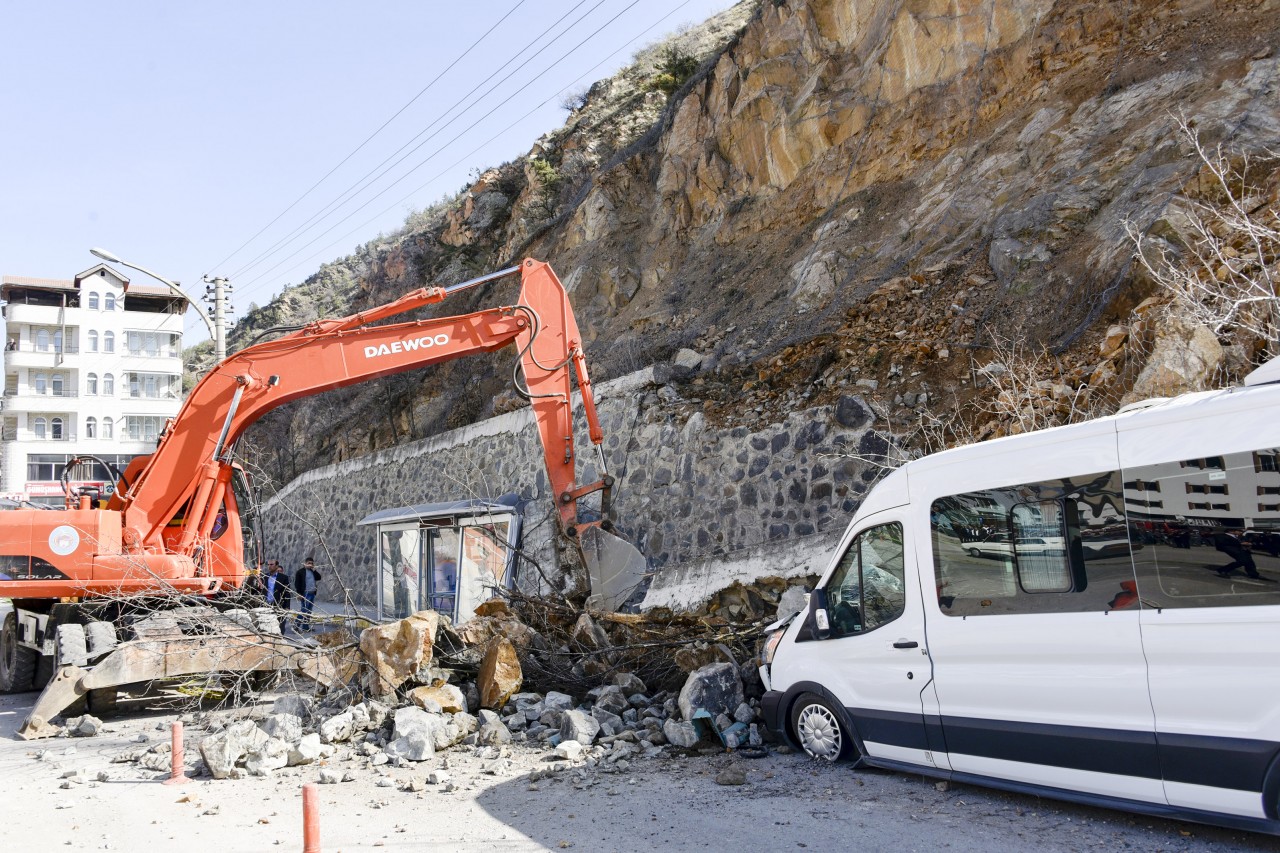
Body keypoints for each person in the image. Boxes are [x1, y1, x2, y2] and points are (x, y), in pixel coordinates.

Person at [294, 556, 322, 632]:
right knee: (304, 610)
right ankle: (296, 625)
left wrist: (315, 570)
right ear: (305, 563)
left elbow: (319, 578)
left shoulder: (312, 572)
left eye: (312, 563)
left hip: (312, 593)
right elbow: (297, 583)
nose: (310, 564)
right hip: (305, 594)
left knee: (309, 611)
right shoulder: (300, 572)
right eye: (309, 563)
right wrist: (299, 593)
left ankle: (305, 627)